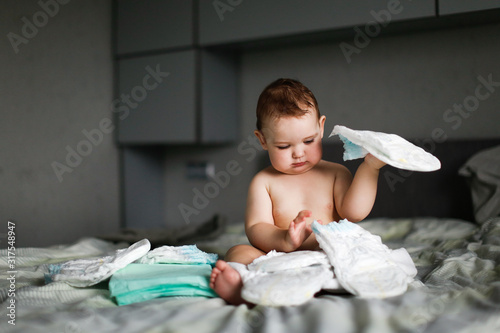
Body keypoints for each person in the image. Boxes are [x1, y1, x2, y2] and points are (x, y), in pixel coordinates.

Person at [210, 78, 386, 305]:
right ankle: (240, 286)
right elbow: (256, 228)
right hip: (277, 258)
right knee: (239, 252)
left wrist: (369, 169)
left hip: (324, 256)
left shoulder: (336, 173)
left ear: (321, 128)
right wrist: (285, 239)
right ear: (262, 140)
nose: (298, 153)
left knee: (361, 253)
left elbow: (354, 212)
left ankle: (326, 283)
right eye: (284, 146)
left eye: (308, 141)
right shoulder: (263, 181)